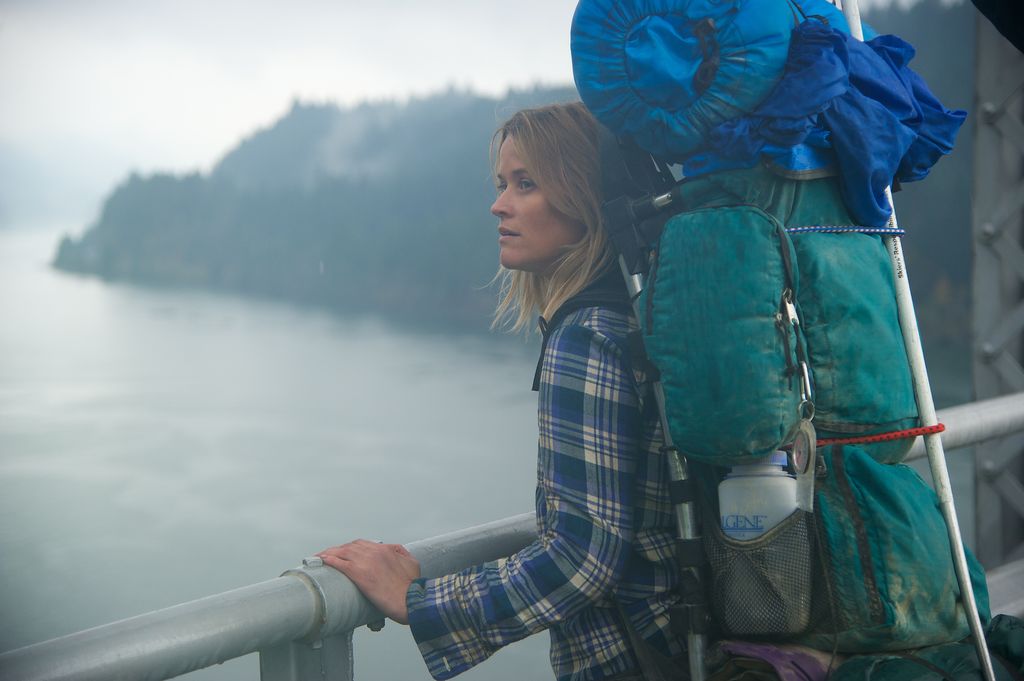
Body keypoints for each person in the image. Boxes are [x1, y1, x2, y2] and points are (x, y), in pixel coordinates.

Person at [317, 101, 687, 681]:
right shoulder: (637, 318)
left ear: (582, 196)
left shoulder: (586, 337)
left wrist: (419, 600)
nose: (499, 204)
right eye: (501, 184)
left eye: (525, 184)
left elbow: (582, 558)